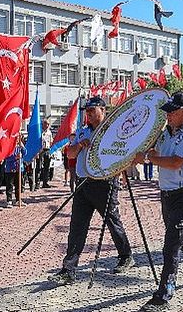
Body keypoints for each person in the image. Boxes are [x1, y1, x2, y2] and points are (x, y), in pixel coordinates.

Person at [133, 92, 183, 312]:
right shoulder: (165, 132)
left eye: (174, 112)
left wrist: (148, 158)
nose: (169, 115)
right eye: (168, 111)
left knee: (170, 245)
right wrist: (141, 153)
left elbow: (176, 163)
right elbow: (156, 151)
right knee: (179, 236)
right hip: (166, 193)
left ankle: (164, 293)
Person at [48, 96, 133, 286]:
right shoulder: (83, 132)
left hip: (104, 182)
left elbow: (122, 153)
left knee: (112, 220)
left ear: (103, 110)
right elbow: (69, 154)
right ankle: (69, 269)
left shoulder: (113, 131)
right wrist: (79, 145)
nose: (88, 114)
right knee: (77, 227)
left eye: (92, 110)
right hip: (83, 183)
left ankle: (126, 255)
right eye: (86, 111)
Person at [3, 142, 27, 207]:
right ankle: (9, 200)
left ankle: (18, 199)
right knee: (9, 185)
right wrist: (15, 157)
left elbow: (25, 153)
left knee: (18, 185)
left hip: (19, 168)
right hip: (10, 168)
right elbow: (6, 156)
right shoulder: (9, 144)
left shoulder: (19, 145)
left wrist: (23, 147)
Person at [38, 119, 53, 188]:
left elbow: (51, 141)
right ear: (43, 124)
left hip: (47, 150)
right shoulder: (39, 131)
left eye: (48, 124)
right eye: (46, 124)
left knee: (47, 167)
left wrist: (51, 151)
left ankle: (45, 182)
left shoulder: (49, 132)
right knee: (39, 166)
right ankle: (37, 183)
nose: (47, 125)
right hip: (40, 150)